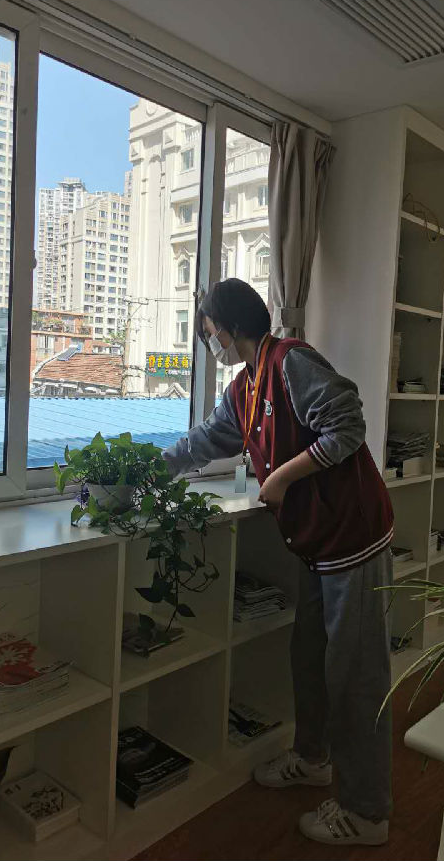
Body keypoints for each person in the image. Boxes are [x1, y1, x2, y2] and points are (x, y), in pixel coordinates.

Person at [162, 278, 394, 846]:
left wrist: (283, 477)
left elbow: (348, 425)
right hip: (316, 546)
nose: (208, 342)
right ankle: (313, 758)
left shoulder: (291, 362)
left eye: (208, 331)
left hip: (353, 539)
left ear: (228, 327)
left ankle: (367, 813)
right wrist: (146, 470)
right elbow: (207, 441)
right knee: (309, 660)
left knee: (355, 679)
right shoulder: (245, 386)